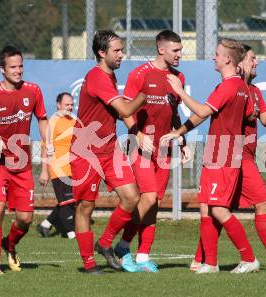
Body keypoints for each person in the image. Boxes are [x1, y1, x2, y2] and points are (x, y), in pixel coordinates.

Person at [190, 44, 266, 272]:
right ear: (240, 62)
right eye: (253, 59)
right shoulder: (233, 88)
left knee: (215, 207)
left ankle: (205, 260)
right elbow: (207, 113)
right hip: (236, 157)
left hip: (242, 157)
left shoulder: (253, 91)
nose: (256, 63)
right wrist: (181, 132)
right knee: (225, 206)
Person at [161, 38, 258, 274]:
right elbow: (249, 116)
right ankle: (210, 263)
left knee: (218, 210)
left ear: (227, 59)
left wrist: (179, 91)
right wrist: (179, 132)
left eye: (217, 54)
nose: (213, 57)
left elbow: (202, 111)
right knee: (205, 208)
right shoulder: (239, 87)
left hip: (223, 156)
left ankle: (249, 258)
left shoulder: (229, 86)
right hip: (220, 153)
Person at [113, 30, 191, 273]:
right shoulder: (140, 74)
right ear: (161, 49)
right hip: (141, 148)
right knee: (147, 197)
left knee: (155, 201)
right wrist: (137, 134)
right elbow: (123, 111)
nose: (180, 54)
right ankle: (123, 246)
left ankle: (144, 255)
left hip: (165, 148)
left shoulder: (178, 77)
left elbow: (175, 114)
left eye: (180, 50)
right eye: (175, 50)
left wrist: (183, 141)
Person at [70, 30, 147, 274]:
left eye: (122, 49)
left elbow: (117, 113)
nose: (122, 54)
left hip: (109, 148)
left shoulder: (109, 76)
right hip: (86, 151)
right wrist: (145, 95)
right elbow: (124, 110)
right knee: (85, 207)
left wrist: (136, 130)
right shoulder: (97, 77)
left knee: (132, 197)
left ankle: (104, 243)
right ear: (102, 53)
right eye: (117, 50)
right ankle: (89, 264)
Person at [0, 45, 48, 275]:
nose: (18, 70)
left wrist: (48, 140)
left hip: (20, 164)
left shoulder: (33, 91)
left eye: (21, 65)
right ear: (2, 70)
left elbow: (42, 119)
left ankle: (10, 244)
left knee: (25, 219)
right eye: (13, 67)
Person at [36, 92, 77, 239]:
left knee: (72, 200)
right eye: (67, 104)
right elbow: (45, 148)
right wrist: (44, 171)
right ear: (58, 105)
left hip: (73, 168)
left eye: (72, 104)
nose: (70, 107)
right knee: (66, 201)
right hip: (57, 168)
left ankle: (45, 224)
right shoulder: (51, 124)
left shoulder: (74, 121)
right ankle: (72, 234)